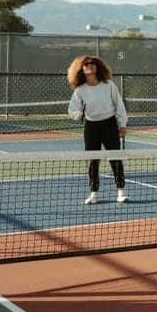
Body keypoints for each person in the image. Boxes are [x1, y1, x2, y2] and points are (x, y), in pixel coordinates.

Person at [66, 55, 129, 205]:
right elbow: (72, 109)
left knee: (115, 158)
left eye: (93, 63)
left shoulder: (109, 85)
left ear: (97, 67)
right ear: (81, 69)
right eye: (86, 64)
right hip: (91, 127)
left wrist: (122, 124)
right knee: (93, 161)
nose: (90, 65)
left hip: (110, 125)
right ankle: (93, 194)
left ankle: (121, 192)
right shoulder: (80, 90)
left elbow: (119, 105)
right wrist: (78, 115)